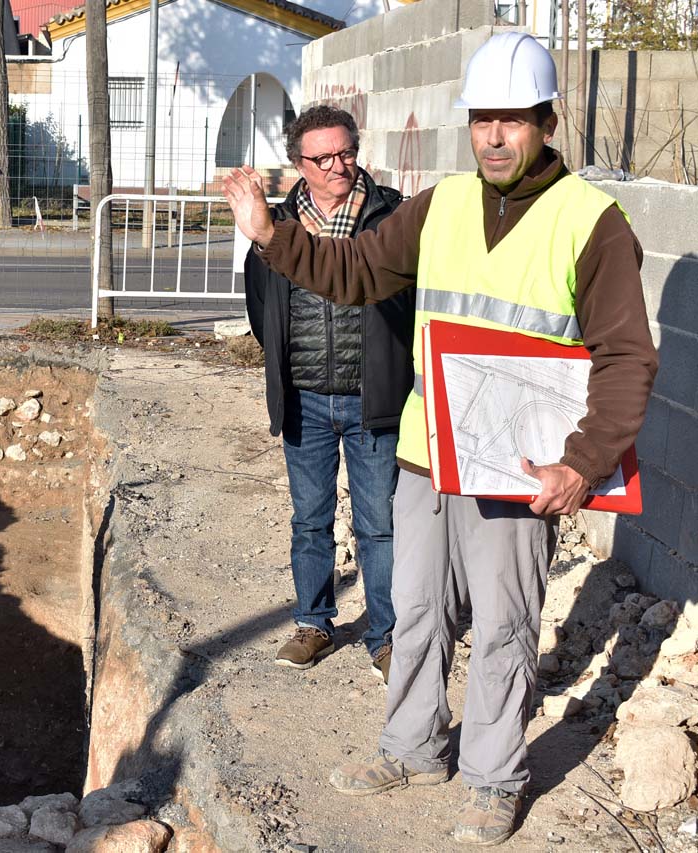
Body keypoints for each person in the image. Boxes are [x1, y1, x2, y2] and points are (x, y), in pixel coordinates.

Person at [223, 32, 657, 847]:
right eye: (481, 120)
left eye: (512, 121)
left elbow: (627, 355)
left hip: (520, 465)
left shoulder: (591, 223)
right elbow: (350, 272)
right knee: (416, 608)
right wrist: (270, 235)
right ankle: (414, 745)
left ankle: (496, 775)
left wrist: (582, 463)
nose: (493, 137)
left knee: (501, 621)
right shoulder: (439, 206)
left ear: (547, 122)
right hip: (429, 451)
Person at [243, 105, 413, 682]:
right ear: (299, 164)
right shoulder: (277, 225)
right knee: (309, 520)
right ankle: (315, 622)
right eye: (323, 157)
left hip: (375, 400)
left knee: (380, 524)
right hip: (306, 399)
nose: (338, 165)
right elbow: (261, 307)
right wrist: (287, 367)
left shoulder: (391, 216)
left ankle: (386, 636)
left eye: (346, 152)